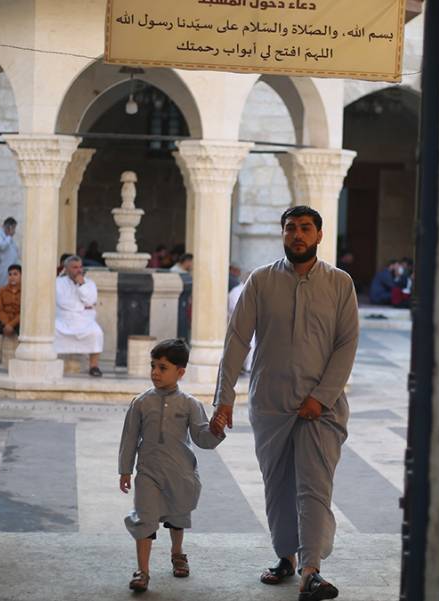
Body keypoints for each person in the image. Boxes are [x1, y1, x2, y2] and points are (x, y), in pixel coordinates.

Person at [211, 205, 358, 601]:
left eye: (305, 228)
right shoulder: (260, 282)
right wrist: (224, 399)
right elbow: (236, 341)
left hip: (321, 409)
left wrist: (321, 397)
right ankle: (286, 558)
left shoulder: (340, 283)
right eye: (291, 228)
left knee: (314, 486)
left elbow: (346, 346)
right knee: (277, 485)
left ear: (319, 236)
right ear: (283, 234)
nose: (297, 235)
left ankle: (312, 569)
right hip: (271, 402)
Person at [118, 339, 226, 593]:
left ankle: (177, 552)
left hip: (180, 473)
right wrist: (125, 469)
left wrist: (216, 429)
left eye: (163, 367)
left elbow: (202, 439)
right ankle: (142, 572)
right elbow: (129, 438)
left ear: (180, 372)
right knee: (145, 518)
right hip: (148, 472)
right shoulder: (141, 402)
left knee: (178, 515)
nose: (155, 372)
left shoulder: (190, 404)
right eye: (153, 366)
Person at [53, 255, 104, 377]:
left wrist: (82, 285)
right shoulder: (58, 283)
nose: (79, 270)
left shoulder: (89, 283)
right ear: (66, 269)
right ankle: (52, 362)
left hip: (84, 320)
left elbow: (91, 301)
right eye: (75, 267)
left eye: (80, 267)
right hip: (64, 319)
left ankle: (94, 366)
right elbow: (62, 302)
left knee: (96, 332)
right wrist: (82, 307)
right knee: (52, 331)